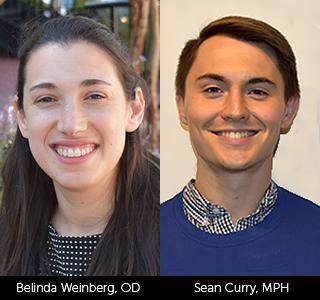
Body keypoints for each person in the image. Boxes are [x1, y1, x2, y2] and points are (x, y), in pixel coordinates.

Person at [160, 16, 320, 275]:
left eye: (257, 91)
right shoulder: (135, 239)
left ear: (288, 110)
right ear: (182, 107)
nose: (235, 111)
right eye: (213, 90)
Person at [0, 15, 159, 276]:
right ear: (22, 117)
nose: (72, 125)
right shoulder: (9, 240)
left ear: (134, 109)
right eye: (47, 99)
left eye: (95, 96)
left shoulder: (183, 240)